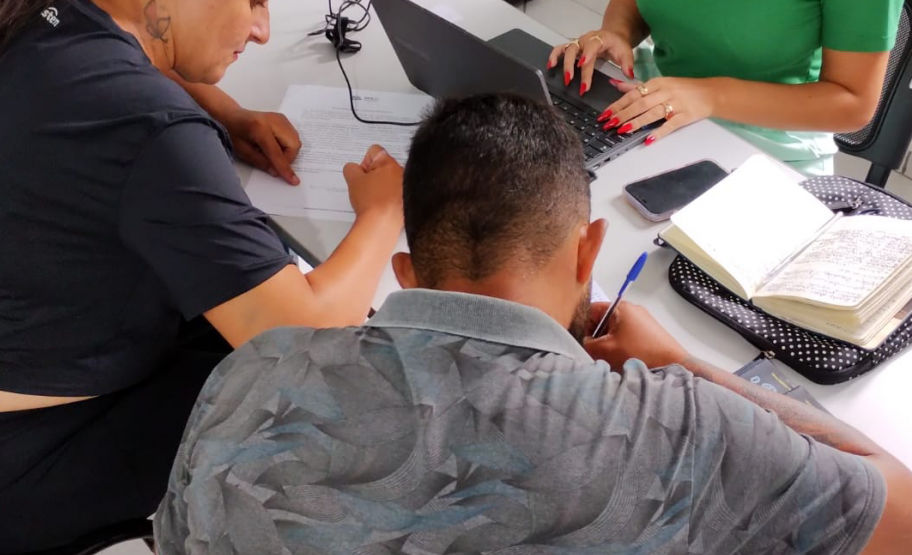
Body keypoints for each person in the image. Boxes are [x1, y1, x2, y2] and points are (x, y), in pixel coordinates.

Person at [155, 95, 912, 555]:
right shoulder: (681, 429)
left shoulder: (250, 373)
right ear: (588, 252)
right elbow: (899, 516)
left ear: (405, 272)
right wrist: (689, 368)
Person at [0, 0, 404, 550]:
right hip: (38, 450)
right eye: (254, 2)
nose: (262, 31)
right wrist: (385, 210)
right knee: (355, 389)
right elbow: (305, 341)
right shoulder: (149, 125)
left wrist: (222, 112)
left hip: (37, 341)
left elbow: (140, 87)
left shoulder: (44, 18)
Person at [549, 0, 905, 175]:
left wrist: (708, 95)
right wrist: (617, 33)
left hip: (766, 146)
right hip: (654, 101)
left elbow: (854, 102)